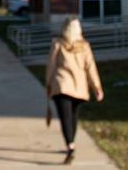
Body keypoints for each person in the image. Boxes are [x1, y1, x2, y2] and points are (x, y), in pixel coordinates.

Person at [45, 17, 103, 165]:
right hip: (80, 88)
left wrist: (48, 84)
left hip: (61, 86)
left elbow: (51, 66)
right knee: (73, 117)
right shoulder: (85, 46)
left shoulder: (57, 43)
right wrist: (97, 87)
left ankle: (70, 145)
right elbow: (91, 68)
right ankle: (71, 143)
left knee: (65, 118)